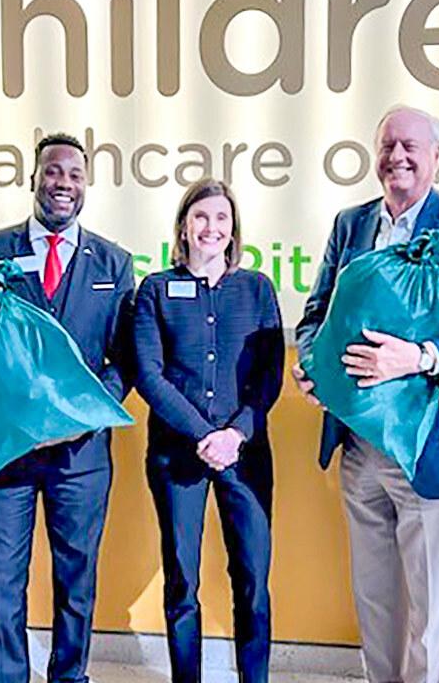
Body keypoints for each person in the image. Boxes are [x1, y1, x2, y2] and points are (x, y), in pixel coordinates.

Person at [292, 105, 439, 683]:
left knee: (435, 599)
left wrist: (420, 357)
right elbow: (316, 312)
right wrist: (314, 367)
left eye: (411, 146)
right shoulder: (351, 224)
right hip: (360, 444)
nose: (398, 156)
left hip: (436, 441)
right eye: (388, 144)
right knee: (374, 593)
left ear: (436, 156)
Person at [0, 132, 136, 683]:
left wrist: (82, 413)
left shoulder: (114, 262)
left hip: (82, 457)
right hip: (3, 454)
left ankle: (69, 676)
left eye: (74, 174)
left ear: (85, 185)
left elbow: (127, 359)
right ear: (33, 179)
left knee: (77, 581)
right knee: (0, 583)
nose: (62, 183)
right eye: (53, 171)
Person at [134, 179, 284, 682]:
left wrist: (235, 434)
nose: (211, 228)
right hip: (178, 459)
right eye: (201, 217)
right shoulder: (156, 289)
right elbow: (149, 375)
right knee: (181, 582)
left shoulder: (257, 288)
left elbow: (269, 375)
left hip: (246, 456)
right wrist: (205, 435)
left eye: (221, 218)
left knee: (252, 581)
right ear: (183, 226)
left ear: (234, 228)